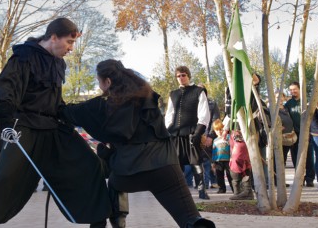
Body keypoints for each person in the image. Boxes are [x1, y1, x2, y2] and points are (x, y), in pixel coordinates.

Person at [0, 18, 111, 227]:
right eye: (69, 42)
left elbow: (55, 102)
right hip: (25, 127)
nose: (71, 48)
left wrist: (78, 112)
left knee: (90, 163)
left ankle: (98, 222)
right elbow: (5, 94)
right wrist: (7, 123)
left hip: (53, 128)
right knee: (5, 178)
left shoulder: (58, 63)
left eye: (73, 44)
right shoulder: (23, 57)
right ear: (53, 37)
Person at [60, 59, 215, 228]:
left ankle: (115, 222)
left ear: (108, 82)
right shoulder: (147, 96)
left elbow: (68, 112)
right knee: (191, 219)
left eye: (99, 81)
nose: (99, 86)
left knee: (112, 182)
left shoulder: (100, 106)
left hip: (129, 173)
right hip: (166, 168)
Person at [164, 66, 211, 200]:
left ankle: (202, 191)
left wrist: (197, 133)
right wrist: (167, 131)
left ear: (188, 75)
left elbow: (204, 114)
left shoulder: (198, 91)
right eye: (178, 76)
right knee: (176, 164)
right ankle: (179, 192)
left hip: (192, 133)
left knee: (195, 162)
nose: (181, 78)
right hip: (176, 134)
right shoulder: (173, 94)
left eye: (183, 75)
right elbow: (169, 114)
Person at [284, 81, 315, 187]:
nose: (293, 91)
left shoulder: (305, 101)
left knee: (309, 156)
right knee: (296, 157)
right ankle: (299, 178)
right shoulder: (288, 104)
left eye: (295, 89)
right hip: (295, 133)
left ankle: (310, 178)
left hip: (306, 132)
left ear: (299, 89)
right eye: (291, 90)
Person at [228, 130, 253, 200]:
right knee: (237, 175)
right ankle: (240, 193)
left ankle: (246, 193)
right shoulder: (234, 132)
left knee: (243, 174)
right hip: (238, 153)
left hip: (240, 153)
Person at [211, 119, 232, 194]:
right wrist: (213, 162)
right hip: (218, 160)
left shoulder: (228, 137)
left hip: (228, 159)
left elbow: (232, 147)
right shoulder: (215, 140)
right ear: (214, 131)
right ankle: (222, 188)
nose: (219, 131)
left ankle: (234, 188)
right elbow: (214, 151)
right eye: (217, 130)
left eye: (221, 129)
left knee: (230, 175)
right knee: (219, 175)